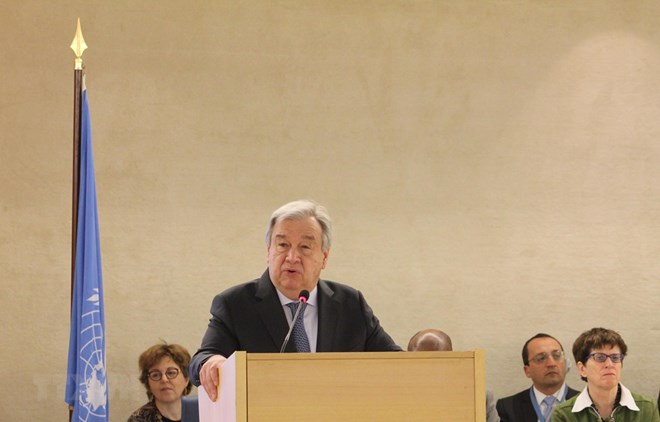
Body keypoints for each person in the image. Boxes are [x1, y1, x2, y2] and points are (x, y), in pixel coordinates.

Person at [189, 199, 401, 400]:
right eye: (282, 245)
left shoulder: (351, 304)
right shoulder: (235, 304)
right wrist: (211, 362)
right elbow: (202, 358)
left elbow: (395, 363)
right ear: (268, 251)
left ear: (324, 257)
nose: (292, 257)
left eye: (305, 247)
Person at [552, 327, 660, 421]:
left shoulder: (647, 408)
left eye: (615, 358)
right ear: (582, 369)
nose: (609, 364)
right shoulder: (564, 414)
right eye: (599, 357)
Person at [407, 329, 500, 422]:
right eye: (421, 362)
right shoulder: (397, 396)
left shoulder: (479, 396)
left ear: (452, 359)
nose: (429, 369)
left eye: (437, 361)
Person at [496, 333, 579, 422]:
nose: (551, 364)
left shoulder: (587, 403)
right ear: (527, 371)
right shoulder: (508, 407)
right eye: (541, 358)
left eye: (556, 356)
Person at [128, 343, 193, 422]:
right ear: (148, 383)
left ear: (186, 379)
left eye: (171, 373)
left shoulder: (201, 412)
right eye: (155, 375)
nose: (164, 379)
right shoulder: (138, 419)